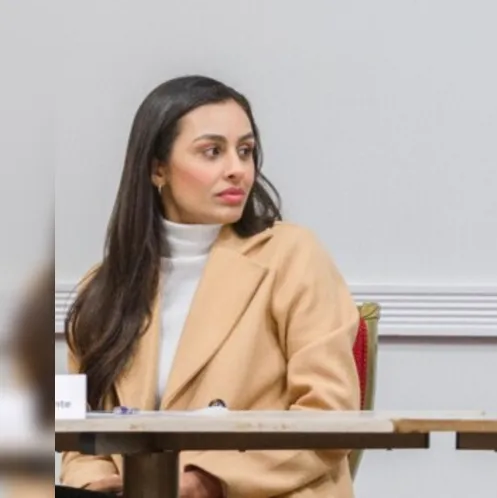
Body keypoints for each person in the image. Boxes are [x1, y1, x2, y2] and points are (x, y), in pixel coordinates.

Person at [59, 75, 361, 497]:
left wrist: (207, 481)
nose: (237, 169)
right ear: (156, 167)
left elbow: (330, 416)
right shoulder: (103, 289)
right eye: (212, 151)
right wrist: (96, 485)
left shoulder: (292, 255)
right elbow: (78, 435)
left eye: (246, 150)